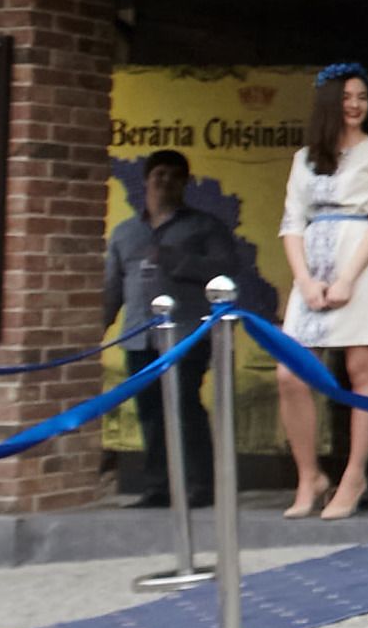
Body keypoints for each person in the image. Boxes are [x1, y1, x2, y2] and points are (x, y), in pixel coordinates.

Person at [277, 63, 368, 519]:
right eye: (347, 97)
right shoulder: (304, 158)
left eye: (362, 97)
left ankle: (354, 474)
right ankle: (308, 475)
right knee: (291, 373)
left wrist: (348, 277)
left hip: (362, 263)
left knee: (360, 366)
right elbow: (292, 223)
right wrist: (306, 280)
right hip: (312, 264)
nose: (355, 105)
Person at [101, 149, 254, 502]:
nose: (165, 181)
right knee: (150, 411)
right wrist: (101, 323)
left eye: (173, 175)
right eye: (159, 174)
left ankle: (201, 486)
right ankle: (158, 488)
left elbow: (227, 270)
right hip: (140, 336)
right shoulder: (126, 232)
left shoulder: (204, 226)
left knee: (184, 406)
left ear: (184, 182)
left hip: (188, 334)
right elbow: (112, 286)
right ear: (146, 180)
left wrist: (177, 260)